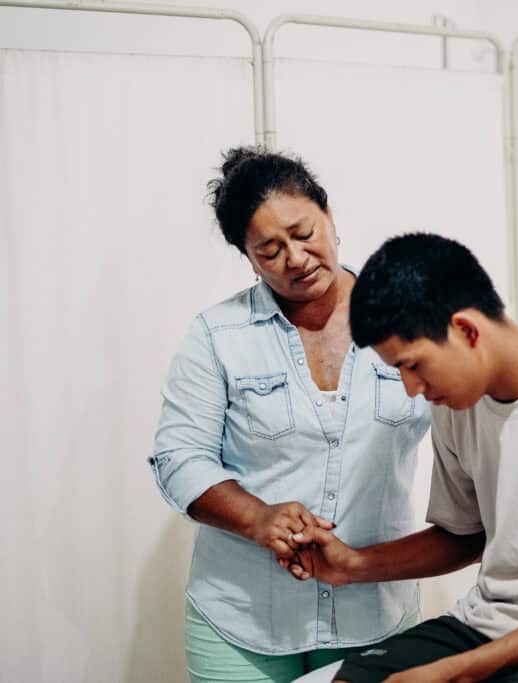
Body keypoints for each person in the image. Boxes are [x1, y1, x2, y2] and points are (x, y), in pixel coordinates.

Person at [286, 233, 518, 683]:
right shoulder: (456, 406)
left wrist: (458, 673)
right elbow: (465, 536)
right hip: (487, 623)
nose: (411, 388)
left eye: (413, 365)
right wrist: (353, 564)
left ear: (466, 330)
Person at [149, 148, 430, 683]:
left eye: (304, 233)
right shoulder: (218, 336)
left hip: (374, 611)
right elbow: (178, 458)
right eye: (270, 250)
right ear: (248, 258)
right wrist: (259, 518)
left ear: (329, 215)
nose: (296, 258)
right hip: (241, 617)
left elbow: (470, 430)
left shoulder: (410, 319)